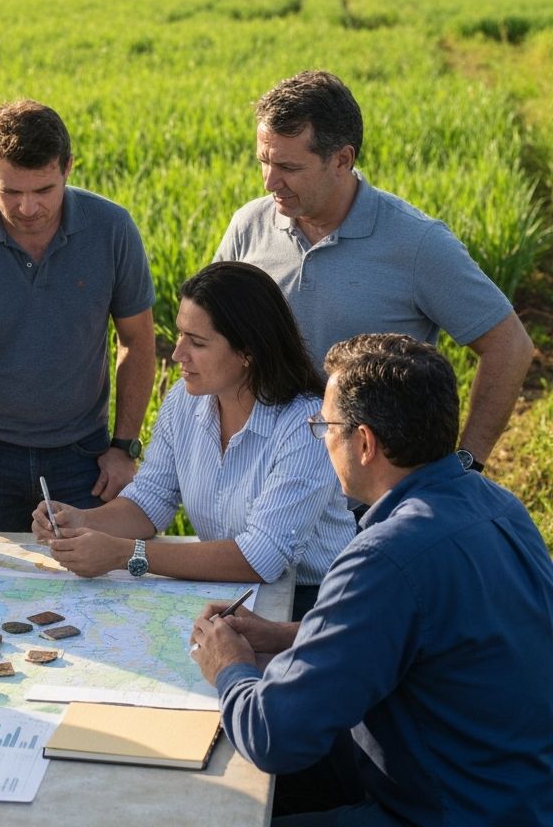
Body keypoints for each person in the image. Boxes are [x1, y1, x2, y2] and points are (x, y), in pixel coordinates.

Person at [190, 333, 553, 827]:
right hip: (518, 797)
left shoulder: (386, 555)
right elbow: (433, 636)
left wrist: (229, 666)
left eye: (324, 426)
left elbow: (274, 737)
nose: (322, 439)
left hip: (444, 811)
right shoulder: (499, 506)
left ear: (364, 443)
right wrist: (288, 635)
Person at [214, 69, 533, 476]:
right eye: (264, 161)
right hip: (261, 477)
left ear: (342, 160)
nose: (269, 182)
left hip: (373, 494)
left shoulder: (417, 243)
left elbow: (509, 345)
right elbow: (209, 334)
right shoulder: (249, 225)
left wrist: (466, 464)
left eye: (289, 167)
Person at [33, 262, 354, 618]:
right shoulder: (184, 401)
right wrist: (82, 521)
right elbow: (150, 500)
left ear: (249, 352)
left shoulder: (307, 425)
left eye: (197, 342)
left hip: (315, 602)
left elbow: (262, 557)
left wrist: (125, 554)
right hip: (230, 590)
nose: (177, 354)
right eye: (180, 334)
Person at [0, 99, 156, 531]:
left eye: (43, 191)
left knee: (85, 570)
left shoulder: (112, 229)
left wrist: (123, 447)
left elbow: (137, 340)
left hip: (83, 455)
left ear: (68, 168)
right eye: (11, 192)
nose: (27, 208)